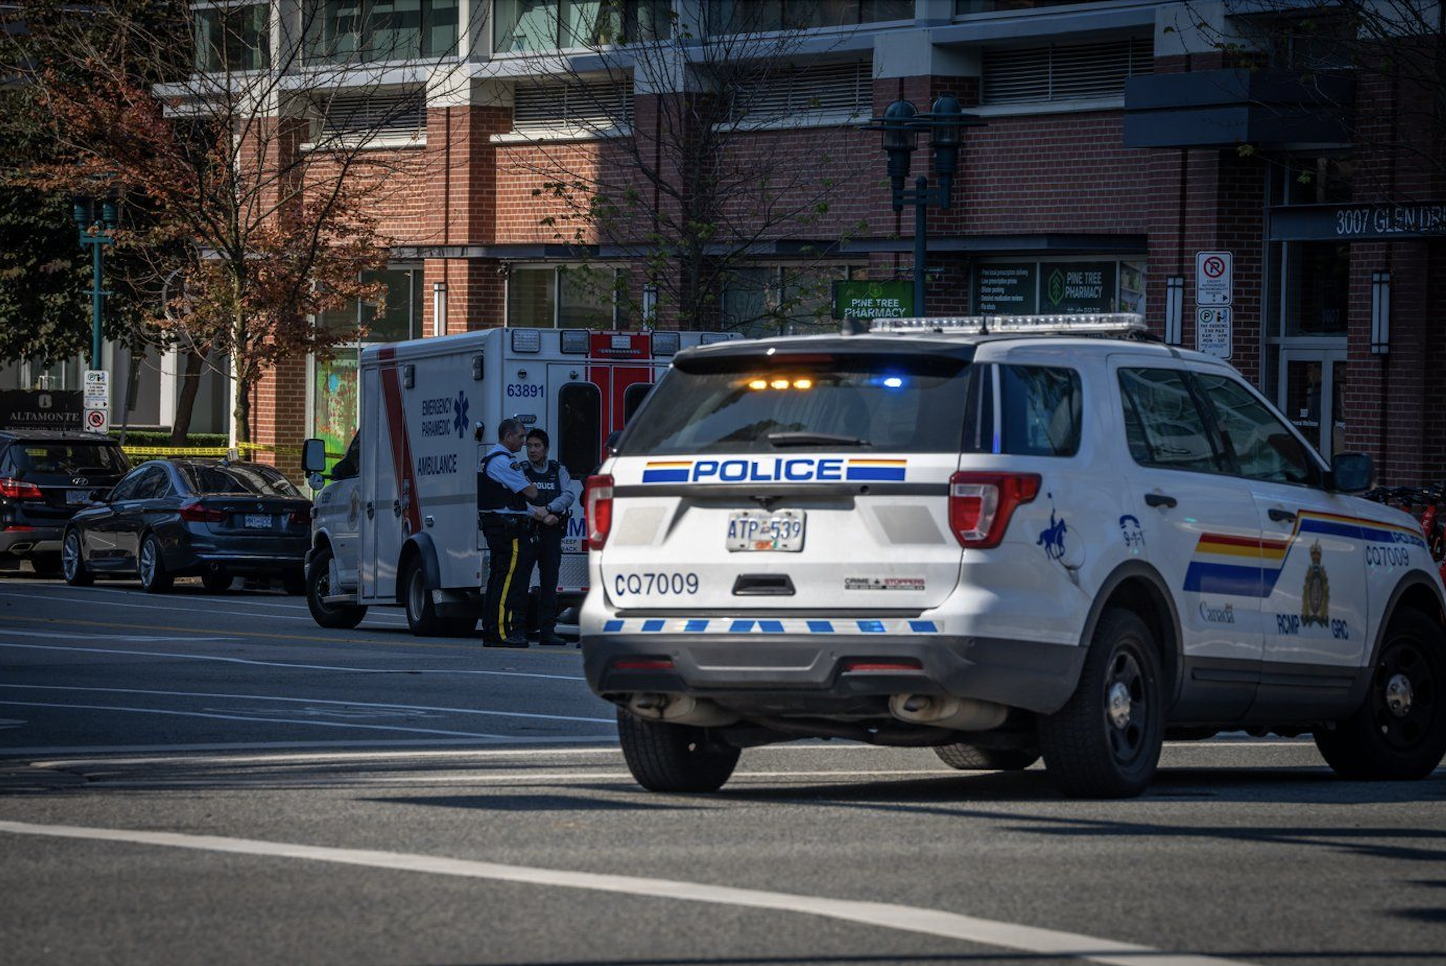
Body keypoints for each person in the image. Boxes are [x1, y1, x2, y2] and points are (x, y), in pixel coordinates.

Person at [478, 418, 554, 647]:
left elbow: (514, 501)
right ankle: (501, 633)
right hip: (505, 529)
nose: (523, 442)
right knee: (506, 581)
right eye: (521, 437)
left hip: (498, 524)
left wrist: (536, 514)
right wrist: (530, 488)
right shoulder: (503, 462)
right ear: (508, 436)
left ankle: (491, 630)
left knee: (497, 581)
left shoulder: (491, 459)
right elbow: (530, 492)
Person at [523, 428, 575, 645]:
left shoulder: (557, 469)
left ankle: (547, 631)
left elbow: (569, 494)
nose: (532, 450)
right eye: (529, 446)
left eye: (537, 446)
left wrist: (549, 508)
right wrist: (540, 515)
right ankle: (517, 629)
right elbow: (518, 498)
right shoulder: (522, 470)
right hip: (528, 531)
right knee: (520, 582)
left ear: (546, 449)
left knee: (549, 583)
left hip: (552, 532)